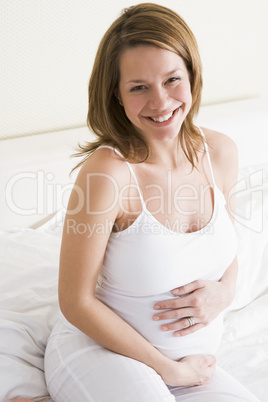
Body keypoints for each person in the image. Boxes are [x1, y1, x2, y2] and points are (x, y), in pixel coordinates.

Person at [44, 3, 259, 401]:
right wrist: (169, 369)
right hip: (98, 351)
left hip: (193, 367)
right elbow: (75, 301)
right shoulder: (107, 174)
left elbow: (226, 252)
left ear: (192, 76)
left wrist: (225, 293)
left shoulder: (220, 153)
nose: (160, 103)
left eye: (172, 80)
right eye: (139, 87)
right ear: (117, 94)